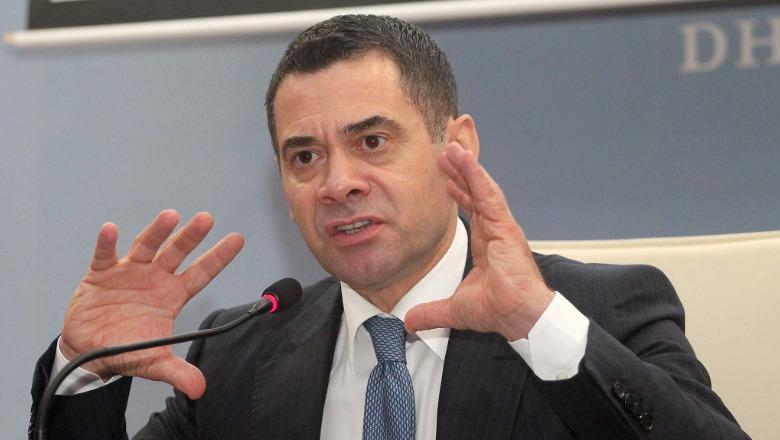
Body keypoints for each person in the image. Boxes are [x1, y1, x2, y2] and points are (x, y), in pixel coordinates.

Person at [31, 14, 748, 439]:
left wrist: (538, 326)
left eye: (372, 141)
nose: (337, 183)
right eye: (305, 156)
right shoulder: (237, 355)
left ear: (456, 147)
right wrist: (88, 371)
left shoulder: (600, 311)